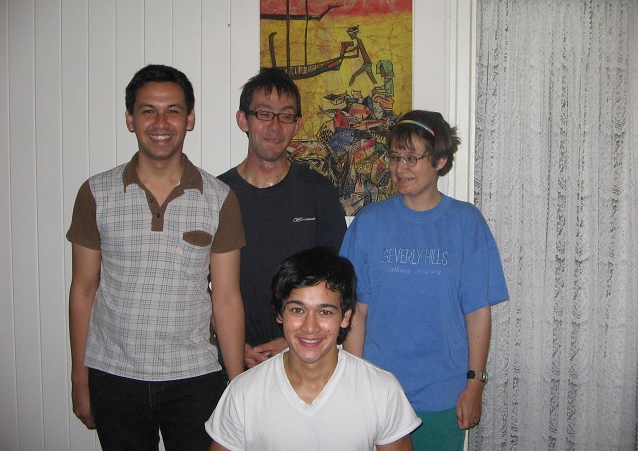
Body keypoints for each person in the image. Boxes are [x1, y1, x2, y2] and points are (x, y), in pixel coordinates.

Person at [66, 64, 245, 451]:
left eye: (173, 111)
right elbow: (83, 290)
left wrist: (236, 386)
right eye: (148, 110)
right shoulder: (95, 193)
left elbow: (227, 297)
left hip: (194, 376)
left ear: (189, 119)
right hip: (114, 375)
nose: (161, 123)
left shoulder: (219, 198)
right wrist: (80, 379)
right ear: (130, 119)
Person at [341, 110, 509, 450]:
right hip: (378, 392)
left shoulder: (466, 223)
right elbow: (356, 311)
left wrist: (474, 384)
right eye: (394, 158)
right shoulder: (369, 222)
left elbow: (477, 312)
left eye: (411, 158)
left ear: (440, 160)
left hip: (443, 394)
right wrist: (354, 383)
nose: (399, 168)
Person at [205, 246, 422, 451]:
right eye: (297, 310)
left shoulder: (382, 391)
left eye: (325, 312)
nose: (310, 327)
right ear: (280, 314)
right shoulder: (244, 393)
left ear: (345, 317)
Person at [218, 67, 346, 369]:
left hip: (306, 353)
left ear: (297, 124)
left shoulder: (318, 191)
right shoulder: (218, 194)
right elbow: (198, 286)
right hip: (234, 356)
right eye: (264, 114)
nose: (275, 126)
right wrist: (232, 342)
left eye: (286, 116)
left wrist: (293, 339)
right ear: (243, 120)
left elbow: (339, 280)